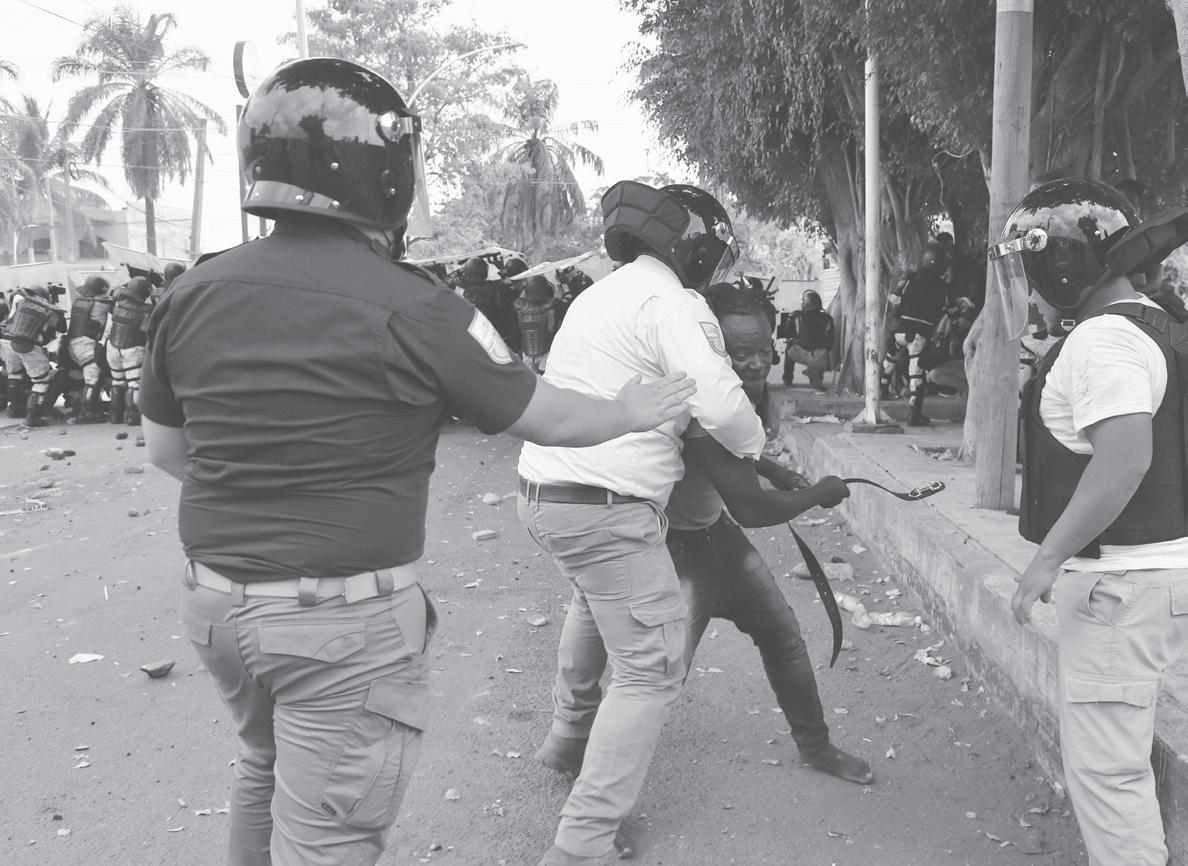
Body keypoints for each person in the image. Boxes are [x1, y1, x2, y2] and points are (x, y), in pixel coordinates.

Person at [139, 57, 695, 866]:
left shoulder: (192, 291)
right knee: (328, 840)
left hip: (216, 607)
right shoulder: (419, 307)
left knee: (263, 764)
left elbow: (167, 450)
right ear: (386, 170)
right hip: (337, 628)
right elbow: (546, 417)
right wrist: (633, 410)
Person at [518, 180, 767, 866]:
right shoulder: (672, 302)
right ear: (699, 250)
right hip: (606, 507)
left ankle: (567, 738)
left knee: (591, 603)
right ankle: (583, 841)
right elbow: (721, 403)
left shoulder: (602, 294)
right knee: (650, 669)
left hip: (546, 494)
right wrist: (757, 447)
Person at [1000, 177, 1188, 866]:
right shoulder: (1157, 325)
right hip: (1157, 577)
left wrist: (1046, 560)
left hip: (1122, 589)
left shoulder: (1105, 340)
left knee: (1109, 776)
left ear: (1062, 264)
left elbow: (1124, 460)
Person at [668, 282, 872, 783]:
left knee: (782, 635)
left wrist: (773, 469)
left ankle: (816, 746)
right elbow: (752, 508)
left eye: (764, 349)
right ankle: (596, 783)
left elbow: (735, 455)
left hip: (715, 533)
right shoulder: (700, 395)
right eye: (742, 353)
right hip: (673, 549)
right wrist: (818, 494)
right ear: (712, 349)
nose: (758, 363)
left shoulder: (740, 395)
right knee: (658, 677)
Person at [880, 244, 953, 426]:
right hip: (919, 336)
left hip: (899, 330)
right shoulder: (943, 287)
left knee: (889, 360)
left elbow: (893, 300)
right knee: (916, 374)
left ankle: (881, 391)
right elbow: (950, 309)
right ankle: (914, 414)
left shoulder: (909, 279)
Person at [2, 284, 66, 427]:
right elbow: (62, 328)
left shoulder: (18, 299)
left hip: (8, 340)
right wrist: (54, 306)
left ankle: (14, 408)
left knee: (14, 374)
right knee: (42, 380)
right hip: (28, 345)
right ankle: (33, 416)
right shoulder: (46, 307)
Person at [107, 276, 153, 427]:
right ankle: (133, 415)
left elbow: (115, 293)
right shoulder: (146, 310)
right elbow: (147, 330)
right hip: (133, 349)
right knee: (134, 383)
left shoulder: (118, 304)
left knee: (117, 380)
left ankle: (115, 415)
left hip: (112, 347)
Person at [66, 275, 113, 423]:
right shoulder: (102, 303)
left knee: (94, 377)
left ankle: (92, 408)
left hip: (74, 344)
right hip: (85, 344)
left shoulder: (79, 301)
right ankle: (86, 412)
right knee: (93, 377)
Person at [781, 289, 834, 390]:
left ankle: (787, 379)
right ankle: (817, 378)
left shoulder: (795, 316)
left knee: (789, 348)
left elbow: (787, 332)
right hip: (819, 356)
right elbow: (830, 343)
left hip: (800, 354)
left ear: (804, 304)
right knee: (817, 379)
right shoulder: (828, 319)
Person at [514, 274, 558, 372]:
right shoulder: (551, 308)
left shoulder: (520, 308)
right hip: (546, 353)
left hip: (527, 354)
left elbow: (520, 299)